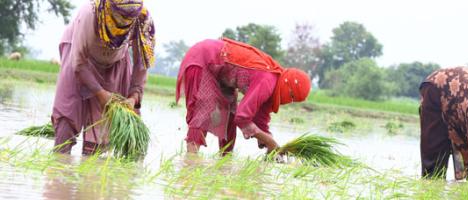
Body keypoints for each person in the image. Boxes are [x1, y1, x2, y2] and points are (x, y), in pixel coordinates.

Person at [52, 0, 155, 155]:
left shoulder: (142, 19)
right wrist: (100, 93)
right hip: (80, 54)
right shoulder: (90, 13)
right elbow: (78, 62)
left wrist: (133, 96)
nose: (123, 21)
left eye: (128, 19)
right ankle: (59, 164)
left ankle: (92, 170)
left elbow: (142, 62)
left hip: (115, 59)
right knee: (69, 112)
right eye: (119, 16)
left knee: (105, 121)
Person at [175, 38, 311, 155]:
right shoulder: (267, 80)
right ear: (287, 84)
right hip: (205, 58)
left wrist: (269, 143)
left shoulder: (273, 84)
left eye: (293, 100)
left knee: (230, 114)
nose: (288, 101)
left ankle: (225, 162)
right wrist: (270, 141)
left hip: (222, 75)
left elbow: (260, 120)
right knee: (204, 110)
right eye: (291, 95)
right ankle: (190, 161)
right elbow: (243, 118)